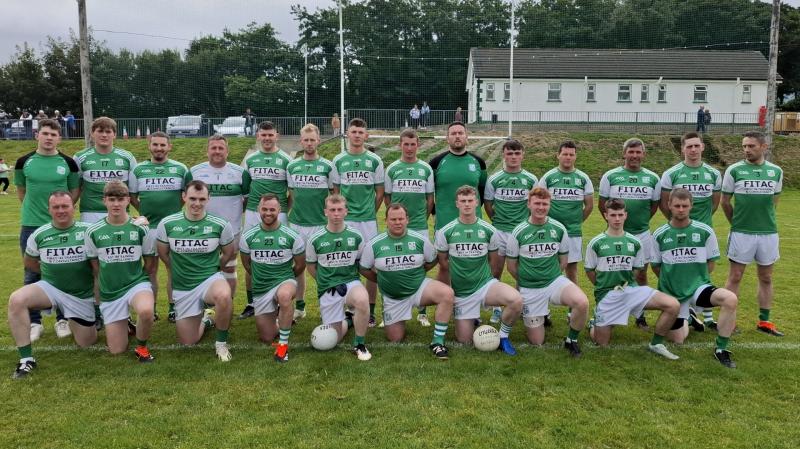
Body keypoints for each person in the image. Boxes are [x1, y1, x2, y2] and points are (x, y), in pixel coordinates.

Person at [8, 191, 97, 379]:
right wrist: (53, 273)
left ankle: (78, 318)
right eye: (56, 207)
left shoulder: (89, 230)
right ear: (49, 209)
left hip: (81, 294)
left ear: (74, 207)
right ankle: (26, 360)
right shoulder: (40, 234)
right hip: (51, 288)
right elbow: (29, 262)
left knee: (86, 342)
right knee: (17, 300)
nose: (61, 210)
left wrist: (139, 222)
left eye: (65, 206)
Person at [652, 188, 739, 368]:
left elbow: (711, 264)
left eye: (685, 205)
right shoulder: (659, 234)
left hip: (699, 287)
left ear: (691, 206)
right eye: (677, 205)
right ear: (669, 205)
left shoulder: (705, 231)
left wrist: (695, 281)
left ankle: (721, 349)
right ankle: (689, 318)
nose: (681, 209)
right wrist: (673, 285)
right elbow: (656, 266)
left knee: (730, 299)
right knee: (677, 339)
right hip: (673, 293)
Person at [585, 199, 680, 359]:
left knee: (673, 305)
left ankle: (656, 343)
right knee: (601, 343)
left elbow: (637, 269)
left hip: (630, 291)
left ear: (625, 216)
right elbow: (589, 271)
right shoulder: (596, 243)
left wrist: (626, 287)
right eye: (613, 215)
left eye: (620, 215)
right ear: (605, 215)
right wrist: (604, 288)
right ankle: (595, 323)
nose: (617, 219)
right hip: (607, 296)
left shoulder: (634, 242)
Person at [360, 203, 454, 360]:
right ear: (386, 221)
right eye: (393, 219)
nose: (398, 222)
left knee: (447, 294)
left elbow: (432, 260)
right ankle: (399, 316)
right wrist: (380, 279)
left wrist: (417, 273)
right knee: (395, 338)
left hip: (418, 288)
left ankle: (437, 342)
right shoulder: (374, 244)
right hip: (393, 297)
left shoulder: (419, 240)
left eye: (401, 219)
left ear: (407, 220)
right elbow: (363, 268)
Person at [156, 180, 236, 361]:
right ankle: (207, 319)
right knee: (188, 341)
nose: (197, 204)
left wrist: (215, 268)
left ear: (209, 199)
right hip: (184, 286)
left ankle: (221, 344)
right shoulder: (167, 224)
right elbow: (164, 254)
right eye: (192, 198)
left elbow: (228, 252)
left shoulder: (220, 224)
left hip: (209, 280)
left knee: (223, 296)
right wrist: (179, 269)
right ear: (184, 197)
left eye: (202, 199)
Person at [436, 186, 521, 355]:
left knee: (516, 300)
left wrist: (487, 281)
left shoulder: (489, 230)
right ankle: (470, 316)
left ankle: (503, 337)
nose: (467, 204)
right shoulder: (446, 231)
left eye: (470, 201)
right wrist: (450, 294)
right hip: (462, 293)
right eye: (463, 201)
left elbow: (493, 261)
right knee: (464, 340)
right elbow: (444, 264)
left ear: (477, 203)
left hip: (484, 286)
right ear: (457, 204)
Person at [14, 118, 79, 341]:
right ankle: (35, 322)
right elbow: (22, 191)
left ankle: (63, 319)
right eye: (45, 134)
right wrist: (37, 213)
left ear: (59, 138)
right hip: (32, 224)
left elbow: (74, 192)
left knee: (64, 270)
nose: (49, 138)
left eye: (53, 134)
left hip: (62, 226)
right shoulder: (24, 162)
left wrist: (61, 215)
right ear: (37, 136)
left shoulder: (68, 163)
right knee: (32, 271)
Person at [506, 187, 589, 357]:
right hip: (530, 288)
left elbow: (563, 262)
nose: (541, 207)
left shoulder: (558, 229)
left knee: (582, 302)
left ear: (549, 205)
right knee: (537, 342)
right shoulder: (518, 232)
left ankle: (571, 340)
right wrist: (528, 282)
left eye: (545, 204)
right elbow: (511, 266)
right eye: (537, 203)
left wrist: (549, 277)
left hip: (554, 282)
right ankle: (539, 314)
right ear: (529, 204)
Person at [722, 131, 784, 336]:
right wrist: (737, 224)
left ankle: (764, 322)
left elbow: (773, 203)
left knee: (766, 277)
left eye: (751, 146)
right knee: (735, 276)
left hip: (768, 233)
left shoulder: (776, 171)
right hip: (741, 233)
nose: (747, 150)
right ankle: (729, 322)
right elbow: (725, 201)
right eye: (744, 146)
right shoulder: (734, 170)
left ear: (763, 147)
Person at [85, 181, 155, 362]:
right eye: (112, 199)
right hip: (111, 291)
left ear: (128, 201)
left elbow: (149, 262)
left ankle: (141, 347)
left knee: (147, 311)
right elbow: (95, 265)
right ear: (104, 201)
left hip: (136, 283)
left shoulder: (140, 228)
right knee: (117, 350)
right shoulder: (93, 231)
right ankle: (127, 324)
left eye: (121, 199)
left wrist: (139, 279)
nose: (116, 204)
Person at [659, 132, 722, 330]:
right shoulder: (672, 173)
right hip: (679, 231)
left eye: (696, 146)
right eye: (689, 146)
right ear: (682, 149)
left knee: (705, 270)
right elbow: (665, 203)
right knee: (682, 270)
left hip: (703, 231)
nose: (693, 150)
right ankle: (690, 311)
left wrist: (699, 224)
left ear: (703, 147)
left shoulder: (713, 173)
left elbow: (715, 203)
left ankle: (707, 316)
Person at [598, 137, 660, 330]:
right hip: (616, 235)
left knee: (641, 274)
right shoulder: (610, 176)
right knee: (615, 272)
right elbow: (603, 205)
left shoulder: (653, 178)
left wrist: (638, 223)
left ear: (644, 154)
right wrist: (617, 226)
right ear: (624, 153)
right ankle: (614, 310)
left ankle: (640, 315)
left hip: (642, 234)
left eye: (638, 152)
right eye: (631, 152)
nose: (634, 155)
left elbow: (654, 205)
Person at [129, 131, 191, 322]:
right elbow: (132, 197)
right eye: (155, 144)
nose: (159, 148)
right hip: (148, 227)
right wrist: (145, 214)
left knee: (175, 269)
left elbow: (186, 197)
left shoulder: (181, 169)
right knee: (150, 270)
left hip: (174, 228)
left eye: (163, 145)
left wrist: (172, 217)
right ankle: (151, 308)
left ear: (169, 147)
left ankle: (174, 308)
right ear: (149, 145)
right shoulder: (138, 170)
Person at [331, 118, 385, 326]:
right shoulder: (338, 160)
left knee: (371, 266)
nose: (357, 135)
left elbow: (379, 192)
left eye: (360, 132)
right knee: (345, 264)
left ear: (366, 135)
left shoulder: (374, 161)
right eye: (353, 132)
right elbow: (336, 192)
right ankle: (348, 309)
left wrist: (370, 211)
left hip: (368, 222)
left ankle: (370, 311)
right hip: (347, 222)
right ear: (347, 134)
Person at [306, 194, 372, 361]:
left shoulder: (356, 236)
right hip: (329, 287)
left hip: (350, 282)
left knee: (362, 299)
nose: (336, 213)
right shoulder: (315, 239)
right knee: (332, 338)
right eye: (332, 210)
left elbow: (359, 262)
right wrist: (325, 282)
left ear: (346, 212)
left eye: (339, 210)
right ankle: (349, 321)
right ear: (325, 212)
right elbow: (311, 267)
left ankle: (359, 344)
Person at [240, 194, 306, 362]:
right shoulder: (248, 236)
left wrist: (287, 277)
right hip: (261, 287)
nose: (268, 213)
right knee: (267, 337)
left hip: (284, 281)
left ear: (279, 210)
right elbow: (247, 265)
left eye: (272, 209)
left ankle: (283, 346)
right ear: (258, 209)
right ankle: (283, 319)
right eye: (264, 209)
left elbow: (300, 265)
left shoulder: (291, 235)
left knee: (284, 297)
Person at [190, 135, 247, 320]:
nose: (217, 151)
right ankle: (202, 308)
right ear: (207, 150)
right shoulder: (194, 172)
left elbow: (245, 200)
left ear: (227, 151)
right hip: (202, 231)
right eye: (213, 148)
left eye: (220, 148)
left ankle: (226, 307)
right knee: (202, 270)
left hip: (232, 230)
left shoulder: (240, 173)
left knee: (229, 268)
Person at [384, 128, 435, 326]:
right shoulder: (392, 168)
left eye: (413, 144)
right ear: (400, 145)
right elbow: (388, 197)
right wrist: (395, 218)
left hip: (419, 225)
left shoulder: (426, 169)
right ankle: (393, 307)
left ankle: (422, 311)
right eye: (406, 144)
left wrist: (422, 216)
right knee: (393, 264)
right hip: (397, 227)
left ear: (418, 145)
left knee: (420, 264)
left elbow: (430, 198)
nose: (409, 148)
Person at [484, 139, 537, 323]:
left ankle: (521, 306)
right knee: (496, 269)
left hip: (522, 232)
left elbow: (535, 205)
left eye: (517, 153)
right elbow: (489, 205)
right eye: (509, 153)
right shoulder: (495, 179)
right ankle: (496, 308)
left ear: (523, 155)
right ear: (504, 155)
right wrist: (498, 221)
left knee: (521, 271)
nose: (513, 157)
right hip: (500, 231)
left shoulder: (531, 179)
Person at [286, 124, 334, 321]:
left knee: (323, 266)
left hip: (320, 224)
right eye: (305, 140)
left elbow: (334, 195)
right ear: (301, 141)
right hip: (297, 223)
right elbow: (292, 195)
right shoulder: (292, 166)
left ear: (318, 141)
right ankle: (300, 306)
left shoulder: (328, 166)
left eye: (312, 139)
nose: (309, 143)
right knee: (298, 266)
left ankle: (329, 305)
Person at [429, 122, 487, 286]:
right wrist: (435, 211)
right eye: (453, 133)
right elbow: (428, 192)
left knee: (473, 263)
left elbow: (482, 191)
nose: (457, 136)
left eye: (460, 133)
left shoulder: (478, 162)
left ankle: (473, 296)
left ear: (467, 136)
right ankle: (447, 299)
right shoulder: (436, 162)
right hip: (445, 222)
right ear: (447, 138)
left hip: (472, 223)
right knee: (445, 265)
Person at [537, 140, 594, 285]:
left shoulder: (583, 178)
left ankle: (572, 306)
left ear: (575, 157)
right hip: (551, 231)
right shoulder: (548, 177)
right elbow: (539, 204)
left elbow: (589, 206)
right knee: (548, 268)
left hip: (573, 231)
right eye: (565, 154)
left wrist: (576, 221)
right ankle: (545, 302)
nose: (568, 157)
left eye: (571, 154)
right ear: (558, 155)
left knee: (571, 270)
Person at [74, 117, 138, 224]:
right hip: (90, 213)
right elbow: (75, 188)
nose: (104, 135)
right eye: (100, 131)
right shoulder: (80, 157)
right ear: (92, 133)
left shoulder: (127, 157)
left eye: (108, 131)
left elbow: (133, 192)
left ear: (114, 134)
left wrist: (145, 212)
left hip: (120, 212)